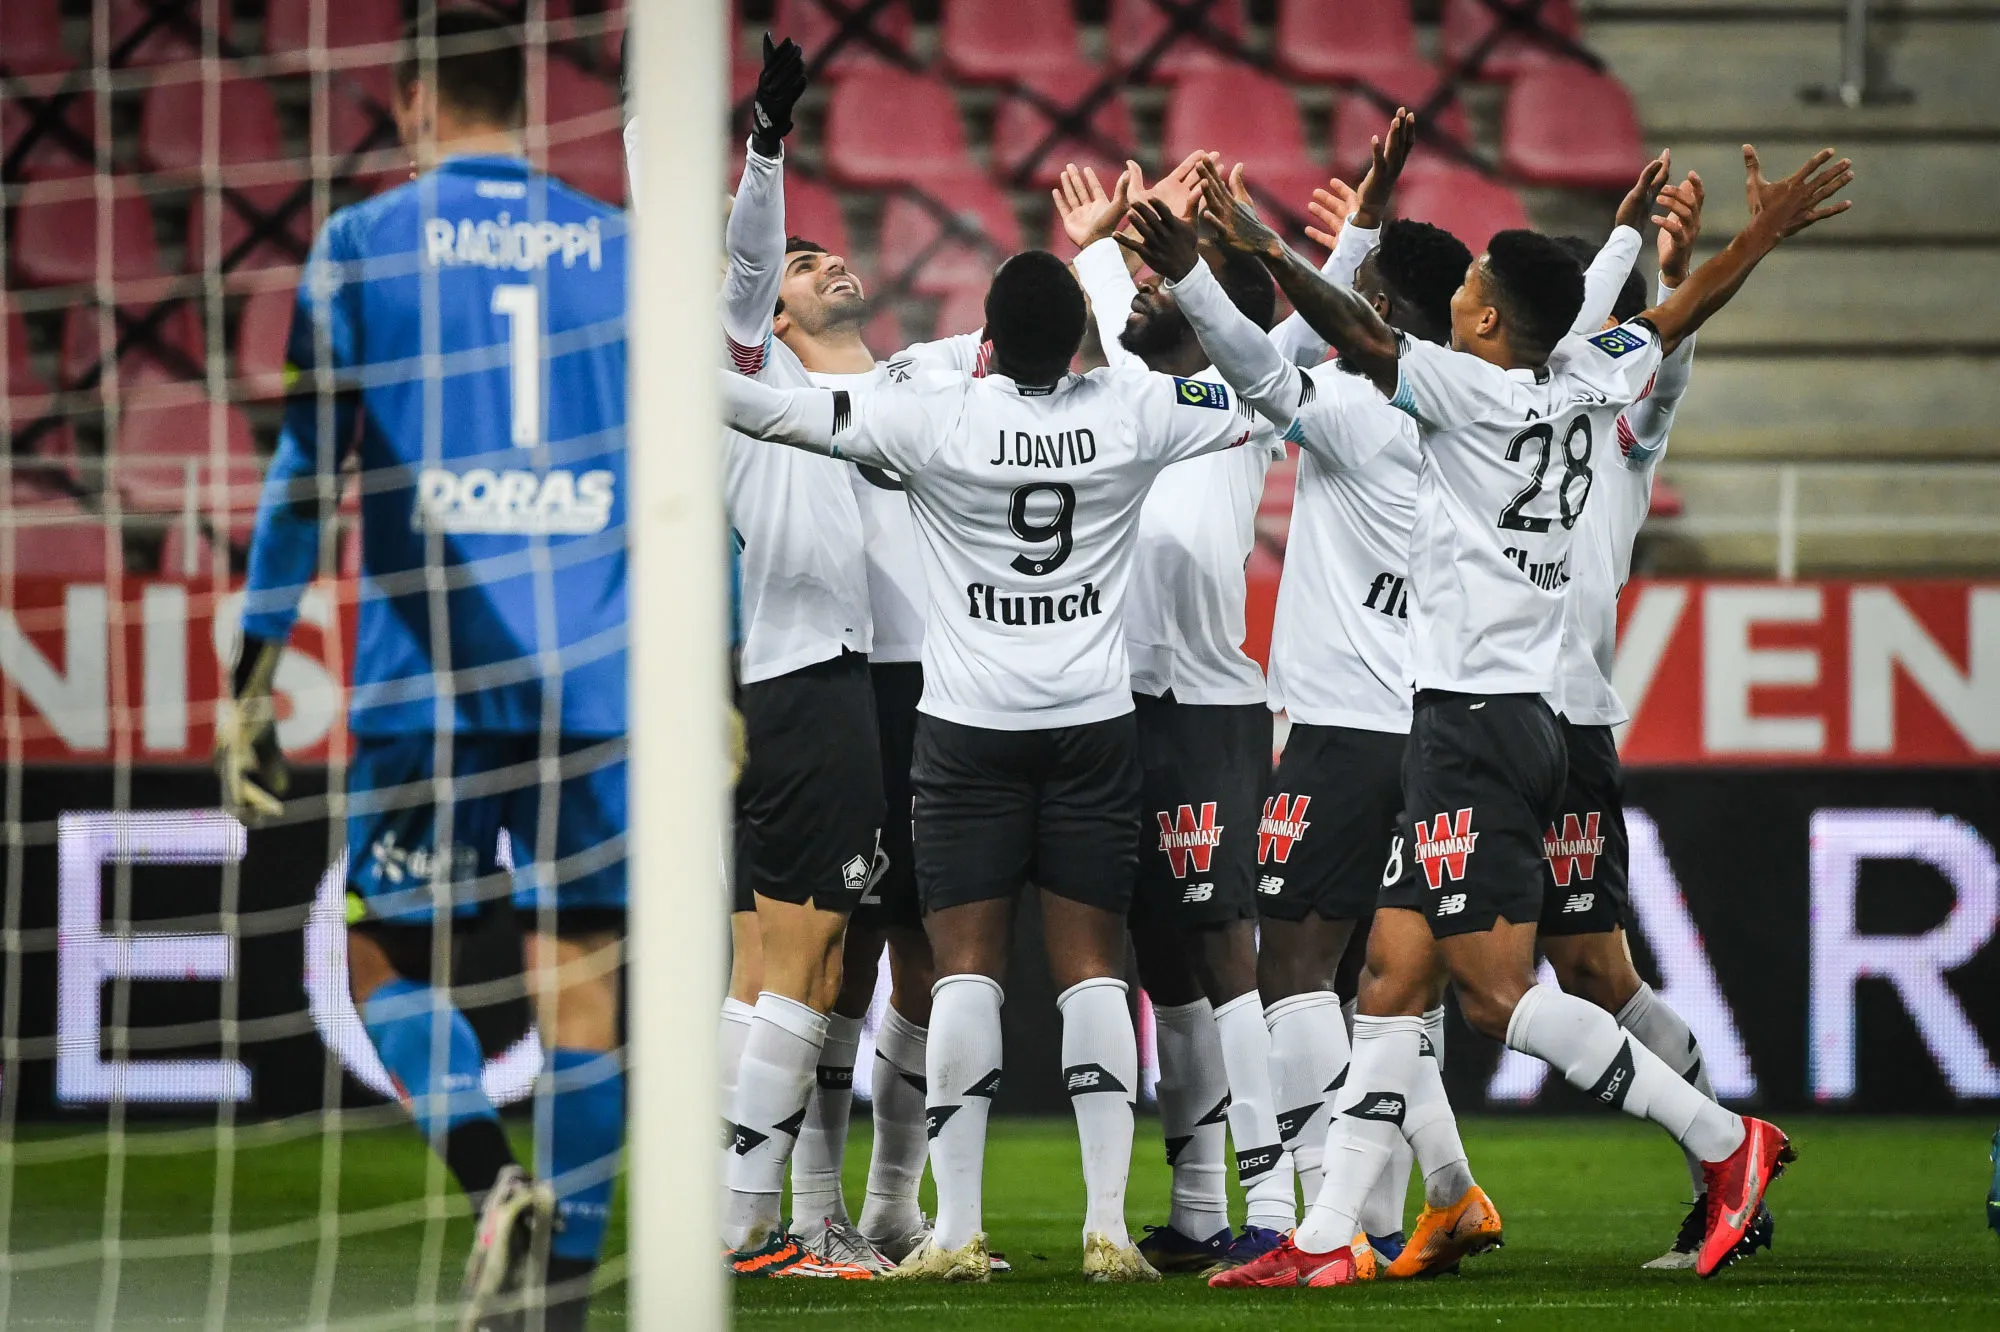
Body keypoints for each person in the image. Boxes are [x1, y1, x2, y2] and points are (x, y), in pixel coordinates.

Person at [1163, 137, 1852, 1288]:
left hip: (1472, 724)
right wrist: (1756, 236)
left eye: (1473, 286)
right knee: (1387, 981)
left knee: (1493, 999)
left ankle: (1726, 1141)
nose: (1462, 291)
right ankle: (1327, 1240)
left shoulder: (1463, 392)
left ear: (1483, 329)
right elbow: (1673, 313)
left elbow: (1358, 334)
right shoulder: (1589, 376)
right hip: (1519, 713)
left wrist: (1253, 247)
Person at [720, 248, 1267, 1283]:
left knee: (963, 966)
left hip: (967, 727)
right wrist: (1183, 283)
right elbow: (1259, 392)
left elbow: (776, 416)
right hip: (1094, 722)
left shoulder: (936, 418)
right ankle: (1107, 1224)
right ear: (1076, 342)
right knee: (1091, 964)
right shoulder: (1134, 408)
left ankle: (953, 1224)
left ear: (983, 338)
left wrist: (669, 365)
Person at [217, 13, 630, 1328]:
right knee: (580, 985)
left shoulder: (358, 245)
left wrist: (253, 670)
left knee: (383, 965)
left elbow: (299, 487)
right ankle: (559, 1301)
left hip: (424, 677)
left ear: (411, 102)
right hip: (591, 679)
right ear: (527, 95)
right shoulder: (621, 252)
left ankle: (491, 1179)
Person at [1051, 157, 1296, 1272]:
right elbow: (1112, 308)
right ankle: (1198, 1210)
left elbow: (1235, 316)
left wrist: (1214, 249)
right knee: (1164, 966)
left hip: (1205, 710)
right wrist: (1104, 247)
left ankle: (1279, 1200)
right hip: (1121, 712)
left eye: (1166, 293)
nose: (1140, 300)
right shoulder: (1135, 395)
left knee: (1220, 951)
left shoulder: (1245, 399)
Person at [1545, 167, 1776, 1270]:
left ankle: (1726, 1157)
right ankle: (1727, 1165)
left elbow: (1660, 383)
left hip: (1554, 735)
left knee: (1581, 978)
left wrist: (1671, 291)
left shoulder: (1607, 438)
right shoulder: (1497, 415)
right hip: (1489, 728)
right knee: (1571, 976)